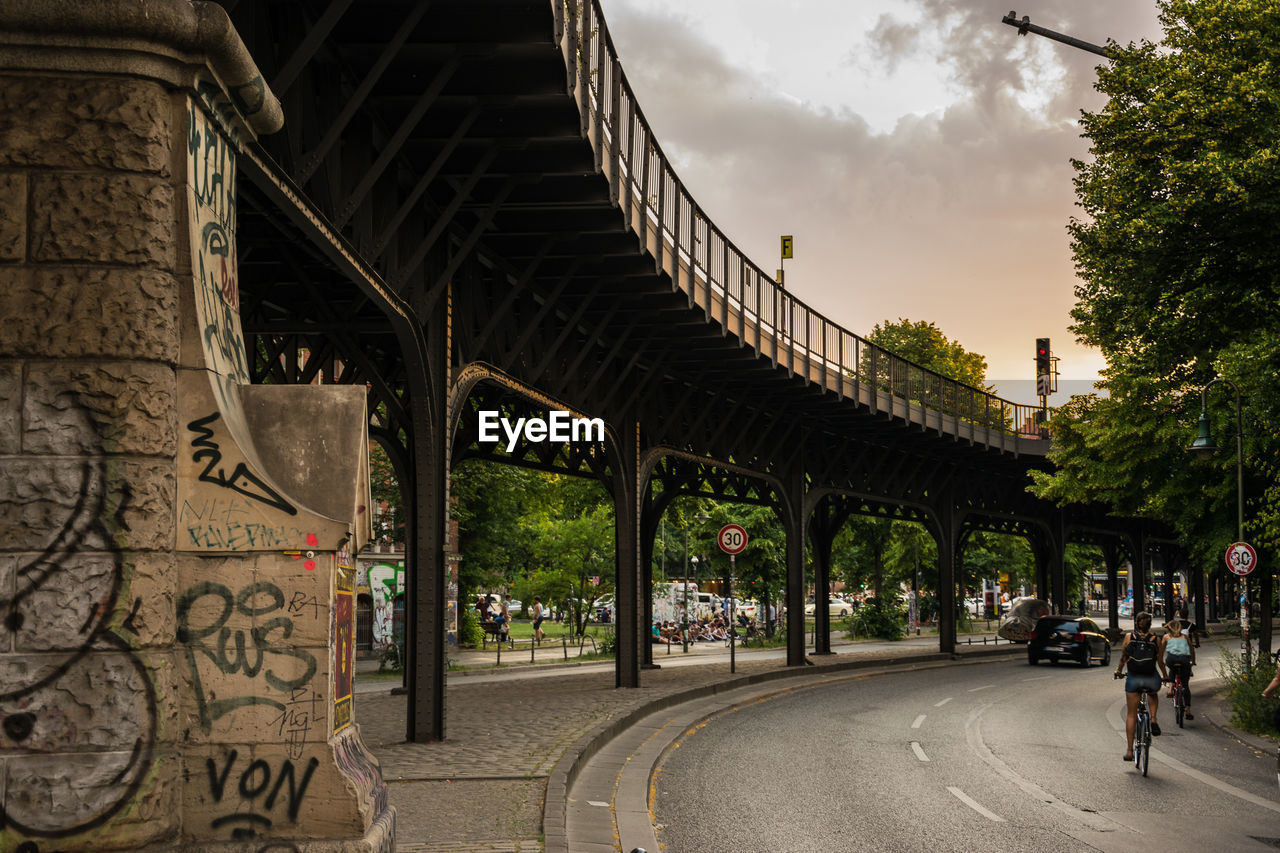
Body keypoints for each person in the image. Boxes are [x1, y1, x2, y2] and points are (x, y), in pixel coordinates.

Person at [1114, 611, 1168, 761]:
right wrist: (1165, 675)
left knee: (1131, 714)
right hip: (1151, 678)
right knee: (1152, 694)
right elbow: (1160, 661)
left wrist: (1118, 671)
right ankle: (1153, 719)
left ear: (1136, 623)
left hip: (1134, 679)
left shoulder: (1128, 637)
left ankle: (1130, 751)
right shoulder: (1156, 640)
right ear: (1150, 625)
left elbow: (1123, 658)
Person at [1162, 618, 1195, 720]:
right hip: (1184, 661)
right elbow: (1191, 650)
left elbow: (1161, 651)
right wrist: (1192, 662)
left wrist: (1162, 662)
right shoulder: (1185, 637)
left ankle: (1171, 687)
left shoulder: (1166, 637)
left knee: (1172, 668)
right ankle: (1188, 710)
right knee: (1185, 685)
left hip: (1171, 659)